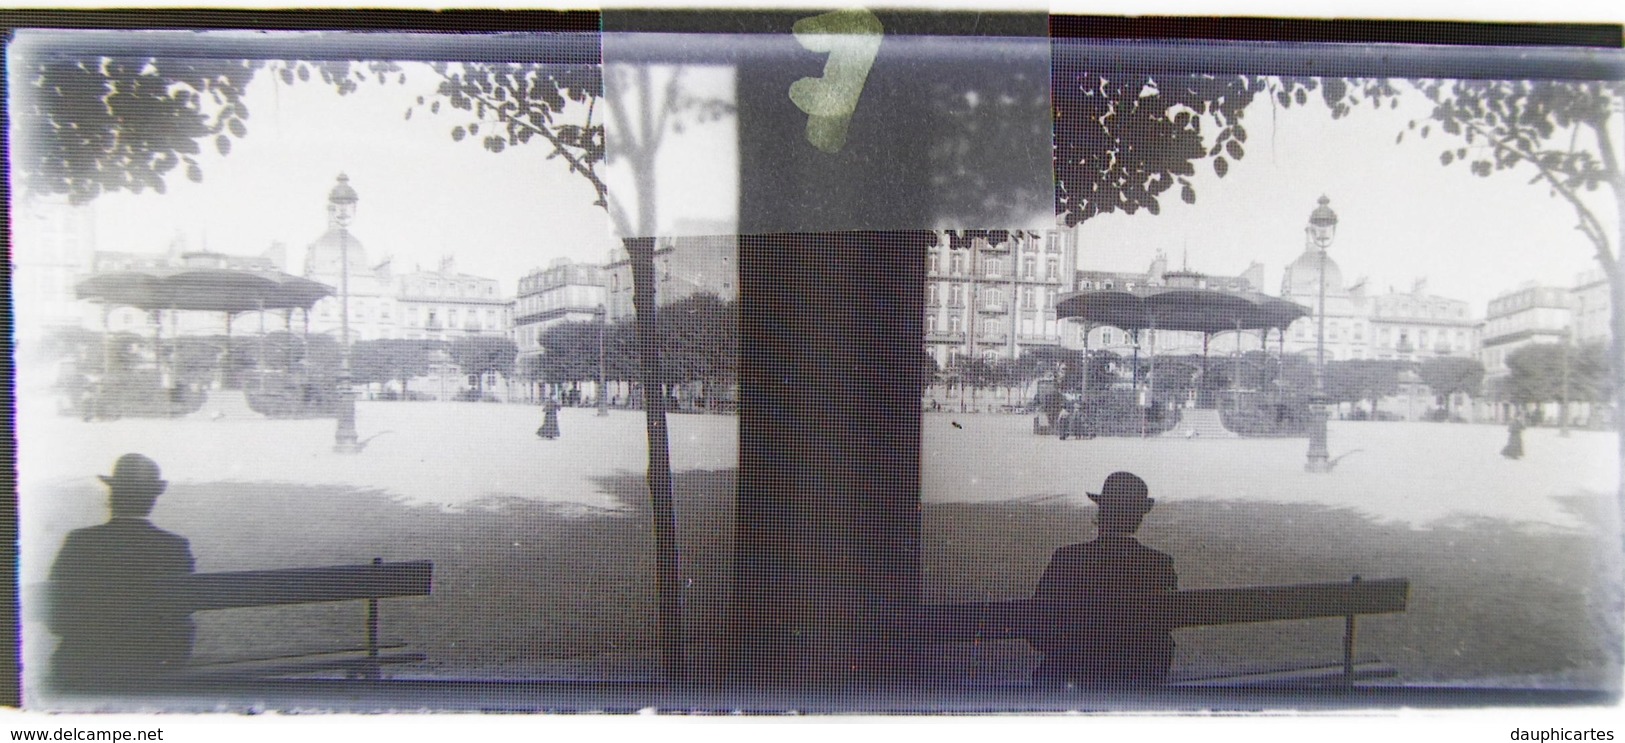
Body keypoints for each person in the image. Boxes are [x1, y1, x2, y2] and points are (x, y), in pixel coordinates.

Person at [49, 454, 196, 690]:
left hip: (79, 666)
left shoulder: (79, 541)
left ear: (112, 495)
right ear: (153, 499)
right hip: (146, 666)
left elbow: (55, 616)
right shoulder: (174, 546)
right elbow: (182, 615)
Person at [1031, 471, 1178, 688]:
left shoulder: (1068, 558)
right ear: (1138, 517)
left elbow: (1037, 628)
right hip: (1137, 677)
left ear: (1102, 512)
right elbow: (1167, 623)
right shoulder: (1159, 563)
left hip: (1071, 674)